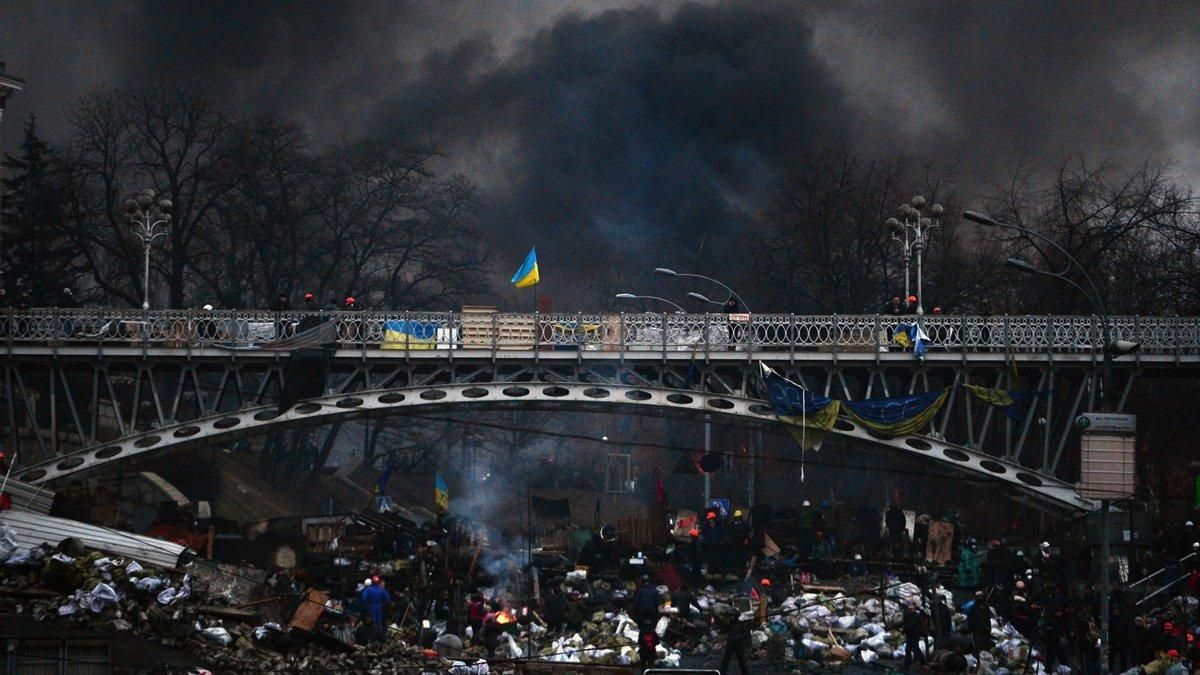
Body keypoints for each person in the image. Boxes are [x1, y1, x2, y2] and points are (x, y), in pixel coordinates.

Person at [903, 601, 928, 669]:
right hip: (910, 635)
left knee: (914, 649)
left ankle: (923, 662)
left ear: (914, 609)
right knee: (909, 649)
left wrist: (904, 628)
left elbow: (912, 625)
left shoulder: (916, 616)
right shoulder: (909, 615)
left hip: (914, 635)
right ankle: (907, 665)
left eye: (911, 609)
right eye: (909, 609)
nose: (910, 610)